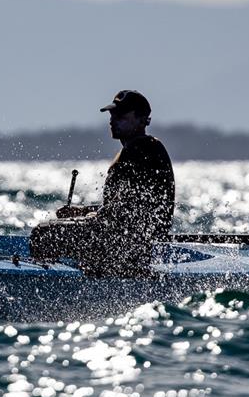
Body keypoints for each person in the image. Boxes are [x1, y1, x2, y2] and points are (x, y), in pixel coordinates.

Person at [30, 90, 175, 277]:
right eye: (112, 114)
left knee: (42, 234)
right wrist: (82, 212)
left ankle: (51, 284)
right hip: (126, 240)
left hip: (126, 245)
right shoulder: (143, 147)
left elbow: (125, 214)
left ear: (142, 120)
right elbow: (125, 205)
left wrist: (90, 216)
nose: (113, 119)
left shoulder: (140, 149)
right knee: (63, 227)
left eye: (121, 114)